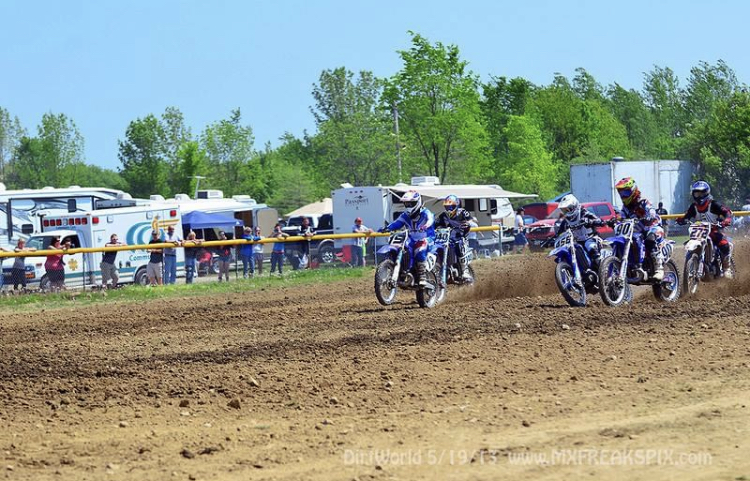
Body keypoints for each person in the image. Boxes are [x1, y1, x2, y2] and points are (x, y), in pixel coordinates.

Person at [676, 180, 734, 278]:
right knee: (689, 242)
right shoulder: (693, 207)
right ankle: (697, 263)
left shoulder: (714, 204)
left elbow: (727, 212)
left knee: (723, 244)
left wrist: (726, 220)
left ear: (706, 193)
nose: (699, 196)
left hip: (714, 230)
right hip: (699, 232)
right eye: (697, 194)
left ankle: (726, 268)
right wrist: (682, 220)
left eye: (701, 193)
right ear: (693, 194)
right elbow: (687, 216)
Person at [614, 177, 666, 280]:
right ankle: (630, 266)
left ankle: (658, 268)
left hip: (652, 226)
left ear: (633, 190)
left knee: (650, 239)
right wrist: (616, 221)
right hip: (637, 231)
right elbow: (622, 217)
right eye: (621, 193)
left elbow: (651, 211)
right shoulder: (625, 208)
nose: (623, 196)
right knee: (625, 240)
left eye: (625, 193)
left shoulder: (643, 202)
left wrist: (649, 217)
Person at [382, 190, 435, 286]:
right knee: (402, 248)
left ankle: (422, 275)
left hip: (427, 238)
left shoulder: (425, 212)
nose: (408, 206)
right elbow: (397, 223)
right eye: (406, 203)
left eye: (411, 203)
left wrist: (426, 225)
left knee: (420, 249)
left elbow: (430, 219)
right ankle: (403, 269)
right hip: (411, 239)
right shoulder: (405, 215)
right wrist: (387, 228)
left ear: (417, 202)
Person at [556, 194, 606, 271]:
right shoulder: (565, 221)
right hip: (577, 242)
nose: (565, 212)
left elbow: (598, 220)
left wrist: (590, 221)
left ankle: (602, 271)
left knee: (590, 246)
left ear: (574, 206)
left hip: (591, 238)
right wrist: (551, 240)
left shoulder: (584, 213)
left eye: (567, 209)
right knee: (570, 251)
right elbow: (559, 233)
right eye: (563, 210)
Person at [435, 194, 473, 281]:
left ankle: (465, 270)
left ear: (456, 205)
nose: (449, 209)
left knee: (459, 246)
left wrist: (467, 224)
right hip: (446, 239)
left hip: (460, 237)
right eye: (447, 207)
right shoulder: (443, 215)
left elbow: (470, 221)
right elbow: (435, 224)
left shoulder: (462, 212)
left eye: (451, 207)